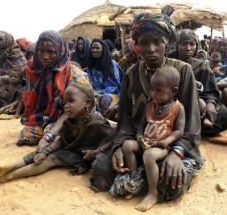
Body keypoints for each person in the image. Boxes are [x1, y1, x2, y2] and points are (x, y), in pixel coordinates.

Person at [90, 13, 204, 211]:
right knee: (101, 173)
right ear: (137, 45)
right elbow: (125, 120)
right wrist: (118, 147)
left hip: (169, 145)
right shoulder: (131, 74)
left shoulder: (182, 71)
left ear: (167, 43)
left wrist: (176, 153)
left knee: (171, 184)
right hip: (137, 143)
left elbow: (191, 125)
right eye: (143, 43)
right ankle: (141, 177)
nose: (150, 49)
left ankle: (144, 182)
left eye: (157, 42)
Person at [0, 83, 117, 182]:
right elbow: (62, 140)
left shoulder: (97, 123)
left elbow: (111, 140)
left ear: (87, 103)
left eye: (71, 101)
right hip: (73, 150)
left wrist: (95, 152)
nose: (66, 106)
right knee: (39, 153)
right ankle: (7, 167)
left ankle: (10, 176)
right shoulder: (71, 120)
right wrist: (44, 151)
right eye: (64, 102)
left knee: (52, 159)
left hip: (85, 157)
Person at [121, 66, 185, 211]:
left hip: (163, 147)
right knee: (127, 145)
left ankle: (153, 193)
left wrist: (163, 142)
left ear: (173, 91)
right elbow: (141, 125)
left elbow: (179, 131)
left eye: (159, 91)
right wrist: (139, 138)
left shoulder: (178, 108)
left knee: (149, 155)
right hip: (147, 142)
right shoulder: (150, 106)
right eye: (152, 89)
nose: (154, 94)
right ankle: (134, 180)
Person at [17, 30, 90, 146]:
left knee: (57, 136)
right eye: (41, 51)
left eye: (51, 52)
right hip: (47, 117)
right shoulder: (37, 72)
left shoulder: (73, 74)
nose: (45, 57)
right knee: (27, 134)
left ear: (60, 51)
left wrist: (49, 135)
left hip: (73, 116)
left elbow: (74, 109)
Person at [171, 29, 227, 136]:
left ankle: (182, 129)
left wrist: (210, 104)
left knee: (223, 113)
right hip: (172, 103)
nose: (188, 48)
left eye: (192, 44)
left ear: (196, 46)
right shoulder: (170, 62)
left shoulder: (202, 66)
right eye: (184, 44)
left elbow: (211, 91)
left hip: (197, 105)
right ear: (177, 45)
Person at [85, 38, 123, 119]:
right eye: (92, 48)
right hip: (94, 93)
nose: (94, 50)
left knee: (105, 99)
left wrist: (100, 93)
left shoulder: (112, 64)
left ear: (103, 49)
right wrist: (93, 92)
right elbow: (89, 84)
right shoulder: (90, 67)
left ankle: (106, 119)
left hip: (113, 95)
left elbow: (117, 86)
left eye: (97, 48)